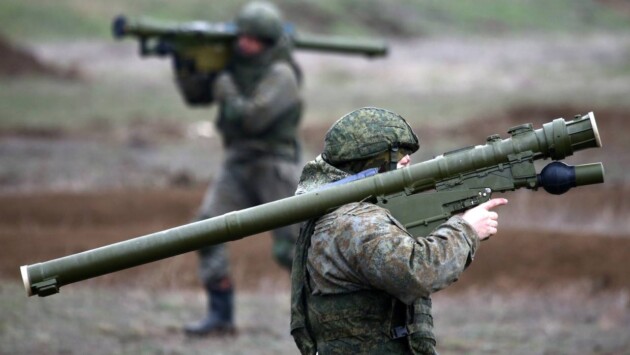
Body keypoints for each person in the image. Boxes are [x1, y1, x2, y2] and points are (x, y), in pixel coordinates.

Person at [290, 107, 508, 354]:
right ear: (368, 160)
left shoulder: (344, 212)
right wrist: (467, 229)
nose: (407, 160)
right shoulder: (356, 223)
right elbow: (416, 272)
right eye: (396, 153)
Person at [184, 1, 303, 336]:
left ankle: (322, 313)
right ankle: (220, 316)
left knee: (291, 248)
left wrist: (226, 89)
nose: (244, 44)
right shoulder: (232, 67)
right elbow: (196, 96)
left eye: (253, 39)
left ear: (266, 42)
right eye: (242, 37)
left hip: (274, 166)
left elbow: (253, 118)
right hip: (237, 163)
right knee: (206, 229)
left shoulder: (282, 75)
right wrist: (189, 66)